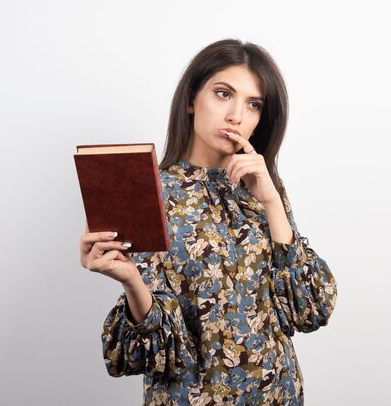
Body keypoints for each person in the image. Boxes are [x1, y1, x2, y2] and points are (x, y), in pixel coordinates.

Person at [79, 38, 337, 406]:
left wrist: (271, 202)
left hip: (277, 395)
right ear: (190, 100)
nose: (237, 116)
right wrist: (131, 281)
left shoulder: (264, 189)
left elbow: (309, 309)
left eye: (253, 104)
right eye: (222, 94)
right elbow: (154, 349)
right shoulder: (150, 191)